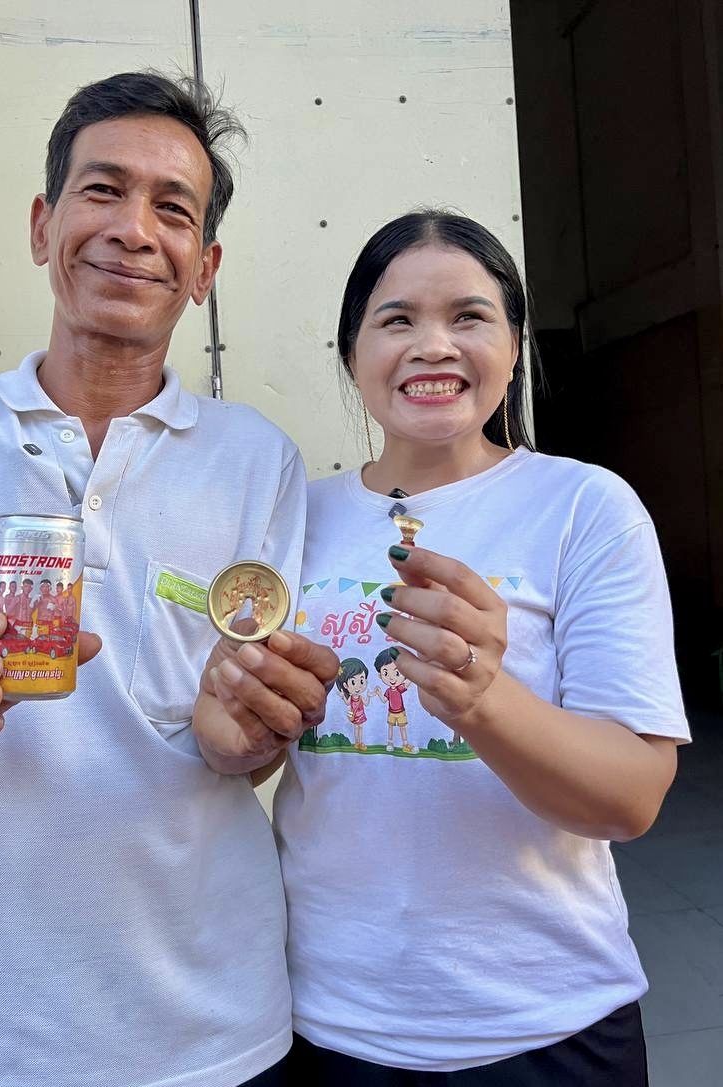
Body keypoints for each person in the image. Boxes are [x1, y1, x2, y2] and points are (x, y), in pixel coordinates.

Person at [0, 71, 334, 1087]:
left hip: (216, 1032)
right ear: (40, 225)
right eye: (102, 190)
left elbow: (238, 748)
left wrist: (249, 733)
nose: (134, 230)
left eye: (173, 210)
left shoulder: (257, 461)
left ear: (204, 269)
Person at [193, 210, 690, 1085]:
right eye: (397, 320)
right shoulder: (294, 517)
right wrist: (232, 727)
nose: (433, 345)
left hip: (548, 1023)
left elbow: (631, 797)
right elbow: (258, 750)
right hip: (330, 1022)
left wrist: (483, 699)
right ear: (352, 352)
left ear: (514, 345)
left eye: (469, 316)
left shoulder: (586, 508)